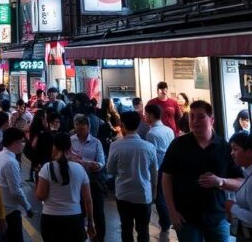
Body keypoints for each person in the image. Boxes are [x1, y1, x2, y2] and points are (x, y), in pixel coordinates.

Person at [161, 100, 243, 242]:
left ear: (211, 120)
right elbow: (167, 178)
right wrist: (172, 212)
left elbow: (241, 182)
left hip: (217, 217)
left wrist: (220, 182)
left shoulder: (224, 148)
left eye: (200, 117)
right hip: (186, 218)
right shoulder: (178, 145)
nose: (194, 121)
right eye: (191, 116)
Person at [107, 112, 158, 242]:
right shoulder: (149, 147)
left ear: (122, 125)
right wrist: (154, 192)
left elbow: (110, 170)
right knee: (143, 231)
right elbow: (154, 173)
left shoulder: (115, 146)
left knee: (126, 229)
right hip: (143, 195)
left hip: (123, 194)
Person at [36, 133, 96, 241]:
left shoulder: (47, 168)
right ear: (70, 148)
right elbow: (88, 200)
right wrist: (90, 222)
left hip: (50, 220)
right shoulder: (79, 169)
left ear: (54, 147)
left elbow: (40, 196)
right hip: (74, 219)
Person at [69, 114, 107, 242]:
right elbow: (66, 157)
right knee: (79, 212)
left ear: (88, 127)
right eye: (77, 127)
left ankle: (98, 238)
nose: (79, 130)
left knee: (98, 213)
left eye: (82, 128)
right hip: (76, 183)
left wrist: (98, 165)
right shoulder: (70, 140)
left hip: (93, 182)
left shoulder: (96, 142)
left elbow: (102, 161)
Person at [144, 103, 175, 235]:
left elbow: (153, 156)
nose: (145, 117)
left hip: (160, 168)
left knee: (159, 197)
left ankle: (165, 222)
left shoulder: (151, 133)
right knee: (168, 194)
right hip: (172, 166)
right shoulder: (169, 130)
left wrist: (153, 173)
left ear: (151, 115)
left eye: (146, 114)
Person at [0, 128, 32, 242]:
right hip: (11, 211)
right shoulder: (11, 162)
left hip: (2, 208)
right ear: (14, 143)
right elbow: (16, 190)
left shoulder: (0, 156)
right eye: (21, 141)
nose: (22, 144)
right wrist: (27, 207)